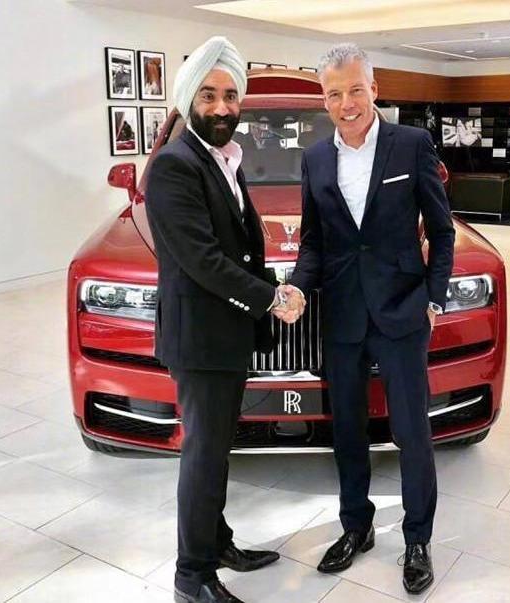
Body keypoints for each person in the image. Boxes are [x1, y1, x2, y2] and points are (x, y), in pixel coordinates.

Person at [288, 43, 455, 595]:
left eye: (356, 90)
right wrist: (298, 287)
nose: (347, 104)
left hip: (402, 309)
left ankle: (417, 539)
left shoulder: (411, 145)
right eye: (335, 94)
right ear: (324, 99)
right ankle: (355, 528)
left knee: (412, 432)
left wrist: (434, 297)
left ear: (374, 90)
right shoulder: (314, 159)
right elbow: (314, 243)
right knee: (347, 430)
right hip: (341, 314)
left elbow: (442, 230)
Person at [145, 36, 304, 603]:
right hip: (201, 341)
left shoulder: (224, 159)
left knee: (215, 452)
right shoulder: (174, 165)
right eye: (209, 95)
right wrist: (272, 298)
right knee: (204, 455)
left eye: (231, 96)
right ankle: (192, 576)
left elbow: (240, 245)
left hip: (225, 337)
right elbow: (204, 260)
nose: (221, 107)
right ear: (189, 98)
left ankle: (218, 543)